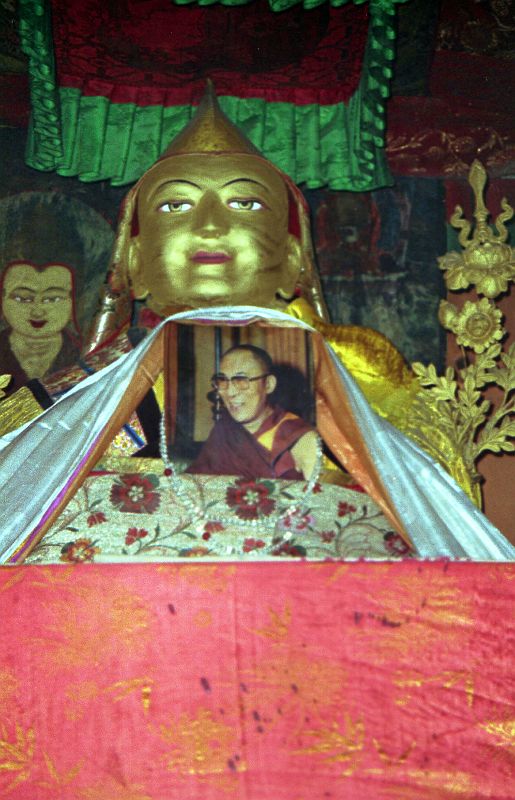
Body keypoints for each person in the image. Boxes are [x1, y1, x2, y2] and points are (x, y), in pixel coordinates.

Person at [188, 345, 318, 480]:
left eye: (241, 380)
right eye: (222, 381)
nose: (230, 392)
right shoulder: (225, 428)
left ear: (268, 384)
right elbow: (198, 482)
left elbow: (320, 497)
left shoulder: (301, 437)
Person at [0, 261, 80, 395]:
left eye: (52, 299)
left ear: (73, 302)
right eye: (23, 298)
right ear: (2, 300)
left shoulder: (85, 354)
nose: (37, 312)